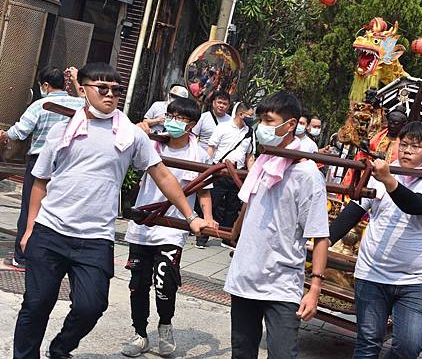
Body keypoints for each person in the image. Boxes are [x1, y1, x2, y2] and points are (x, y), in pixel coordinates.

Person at [12, 63, 213, 359]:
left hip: (95, 238)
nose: (109, 94)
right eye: (101, 88)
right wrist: (30, 229)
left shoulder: (130, 134)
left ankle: (61, 348)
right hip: (50, 231)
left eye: (116, 90)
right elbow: (40, 182)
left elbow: (163, 176)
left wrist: (192, 217)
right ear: (83, 88)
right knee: (36, 303)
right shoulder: (61, 131)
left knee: (91, 306)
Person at [329, 122, 422, 359]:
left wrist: (388, 180)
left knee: (409, 346)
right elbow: (356, 209)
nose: (406, 150)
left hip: (414, 281)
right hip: (371, 275)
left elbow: (416, 205)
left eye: (415, 147)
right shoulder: (381, 176)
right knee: (368, 343)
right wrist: (324, 240)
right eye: (403, 144)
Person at [224, 91, 330, 359]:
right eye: (260, 120)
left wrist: (314, 289)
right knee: (242, 353)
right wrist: (232, 232)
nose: (262, 127)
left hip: (282, 284)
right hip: (245, 277)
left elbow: (320, 236)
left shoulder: (306, 174)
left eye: (269, 120)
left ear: (291, 124)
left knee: (283, 354)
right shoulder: (262, 163)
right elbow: (249, 206)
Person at [122, 97, 217, 357]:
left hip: (173, 228)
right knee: (138, 283)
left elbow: (205, 190)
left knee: (165, 282)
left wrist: (206, 217)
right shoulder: (152, 143)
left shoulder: (199, 153)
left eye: (181, 119)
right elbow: (121, 135)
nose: (174, 122)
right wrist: (141, 126)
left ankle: (165, 325)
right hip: (144, 223)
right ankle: (140, 333)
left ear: (193, 124)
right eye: (171, 116)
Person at [0, 66, 84, 270]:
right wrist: (76, 79)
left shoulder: (40, 104)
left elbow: (21, 131)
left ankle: (22, 256)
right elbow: (86, 97)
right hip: (68, 162)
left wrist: (4, 134)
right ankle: (49, 256)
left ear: (45, 85)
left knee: (31, 207)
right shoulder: (80, 104)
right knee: (56, 208)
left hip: (40, 161)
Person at [195, 102, 254, 248]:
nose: (252, 118)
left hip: (238, 173)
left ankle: (228, 237)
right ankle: (203, 237)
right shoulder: (223, 127)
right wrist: (206, 170)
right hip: (219, 170)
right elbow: (211, 148)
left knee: (232, 206)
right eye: (250, 115)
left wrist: (251, 176)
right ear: (241, 114)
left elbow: (250, 156)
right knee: (212, 203)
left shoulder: (249, 132)